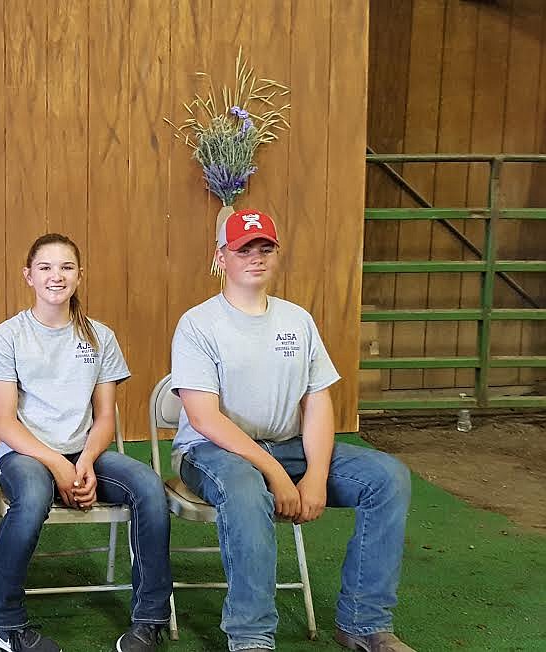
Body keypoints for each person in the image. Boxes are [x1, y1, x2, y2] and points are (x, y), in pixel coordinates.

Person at [171, 209, 414, 652]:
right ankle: (251, 636)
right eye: (244, 249)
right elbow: (204, 418)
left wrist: (316, 474)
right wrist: (277, 474)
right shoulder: (197, 324)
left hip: (288, 446)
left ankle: (364, 625)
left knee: (387, 477)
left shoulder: (297, 321)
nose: (256, 258)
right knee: (247, 490)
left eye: (265, 249)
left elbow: (318, 400)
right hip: (211, 451)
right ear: (221, 258)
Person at [0, 233, 173, 652]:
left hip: (86, 452)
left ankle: (149, 619)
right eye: (45, 267)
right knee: (31, 499)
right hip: (27, 454)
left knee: (149, 487)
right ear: (28, 276)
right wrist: (58, 465)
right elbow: (5, 423)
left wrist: (83, 461)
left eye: (66, 267)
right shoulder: (8, 336)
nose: (56, 276)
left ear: (80, 275)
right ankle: (1, 620)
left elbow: (105, 418)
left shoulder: (100, 336)